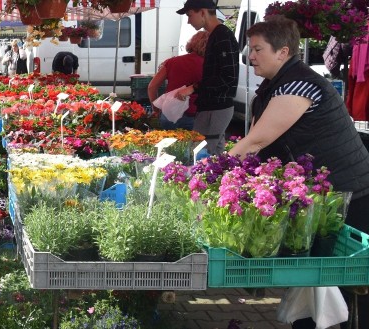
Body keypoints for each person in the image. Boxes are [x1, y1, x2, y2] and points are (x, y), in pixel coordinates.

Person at [227, 16, 369, 329]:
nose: (249, 56)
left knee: (349, 282)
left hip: (352, 193)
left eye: (257, 49)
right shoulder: (276, 84)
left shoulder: (299, 85)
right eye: (250, 48)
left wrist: (213, 170)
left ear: (283, 51)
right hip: (331, 194)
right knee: (322, 275)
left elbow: (257, 140)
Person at [176, 0, 239, 155]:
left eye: (190, 15)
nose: (189, 21)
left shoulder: (222, 35)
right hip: (213, 106)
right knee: (214, 156)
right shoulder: (216, 35)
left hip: (217, 106)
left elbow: (228, 77)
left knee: (200, 155)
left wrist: (193, 88)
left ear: (203, 12)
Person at [148, 30, 208, 130]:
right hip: (195, 114)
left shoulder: (172, 61)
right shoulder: (209, 65)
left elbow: (152, 87)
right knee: (194, 145)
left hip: (169, 112)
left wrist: (156, 108)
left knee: (167, 143)